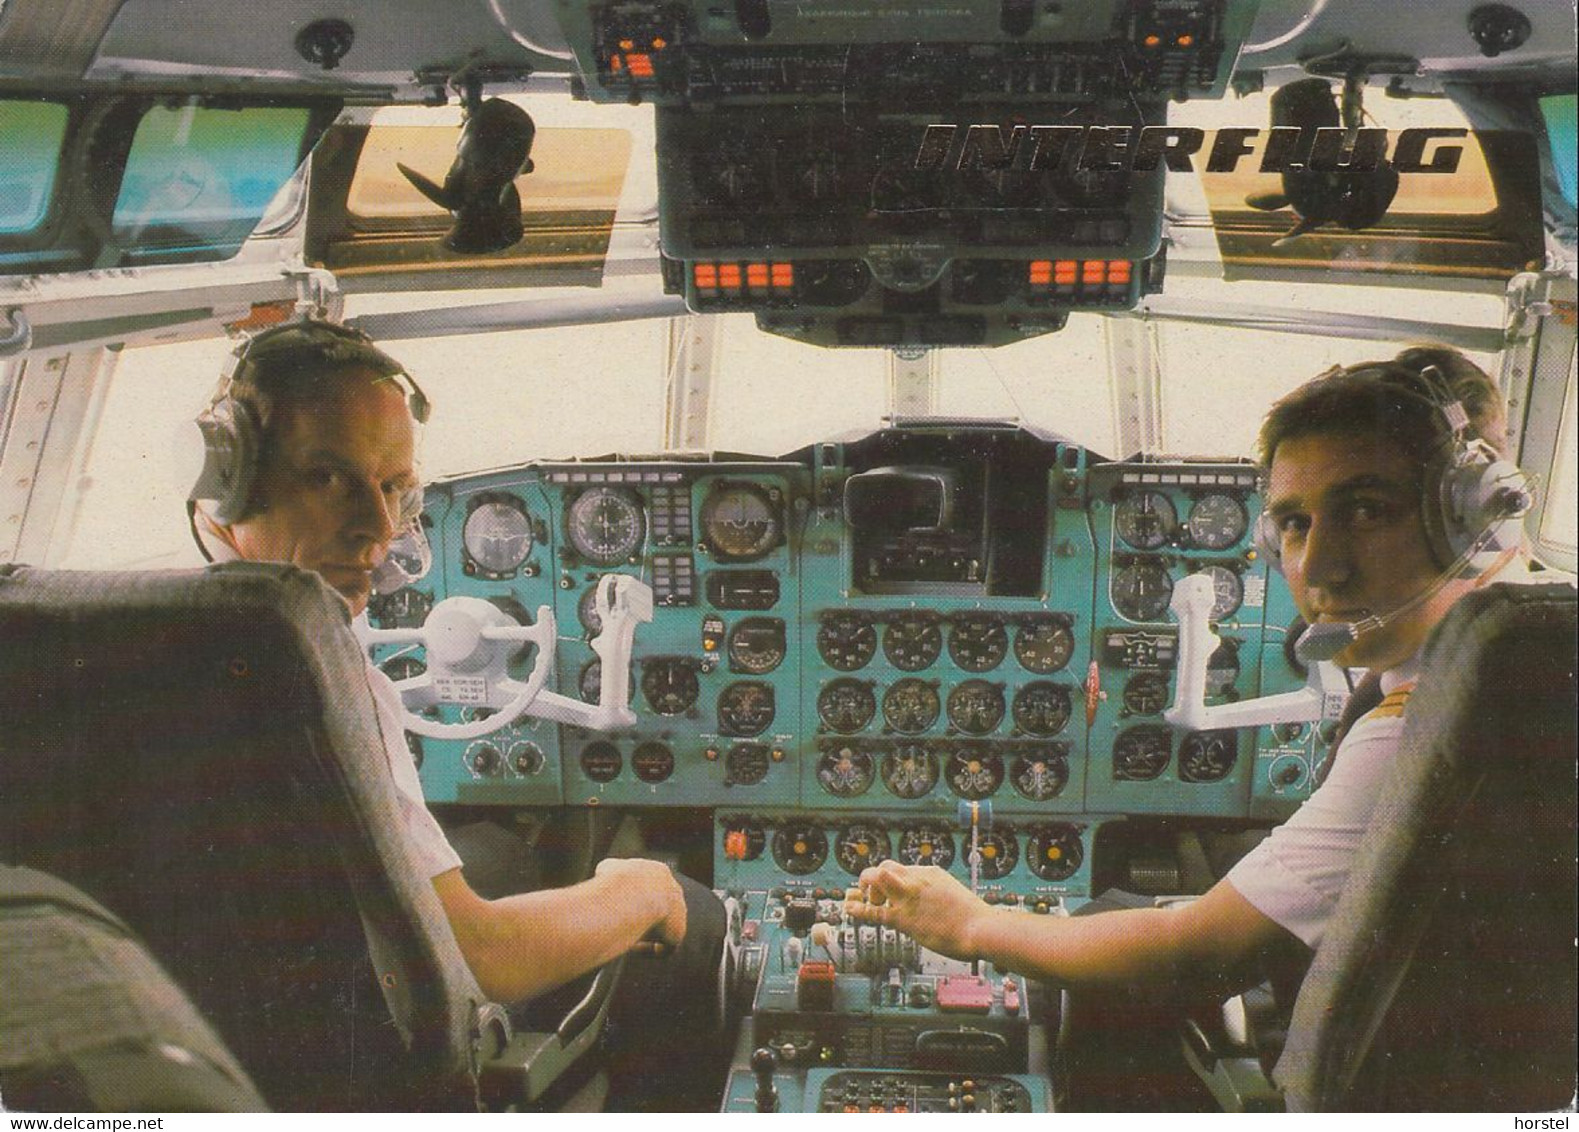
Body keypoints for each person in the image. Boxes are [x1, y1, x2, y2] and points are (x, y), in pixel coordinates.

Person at [843, 345, 1535, 1107]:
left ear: (1474, 513)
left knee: (1105, 964)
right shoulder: (1499, 660)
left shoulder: (1425, 729)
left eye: (1367, 509)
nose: (1320, 567)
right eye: (1295, 525)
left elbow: (1195, 955)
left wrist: (972, 925)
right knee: (1115, 913)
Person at [186, 317, 726, 1109]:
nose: (375, 527)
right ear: (222, 481)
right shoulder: (317, 670)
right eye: (327, 478)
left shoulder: (95, 643)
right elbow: (482, 957)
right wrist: (648, 889)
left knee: (492, 847)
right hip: (363, 1070)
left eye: (395, 487)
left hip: (203, 1036)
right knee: (695, 913)